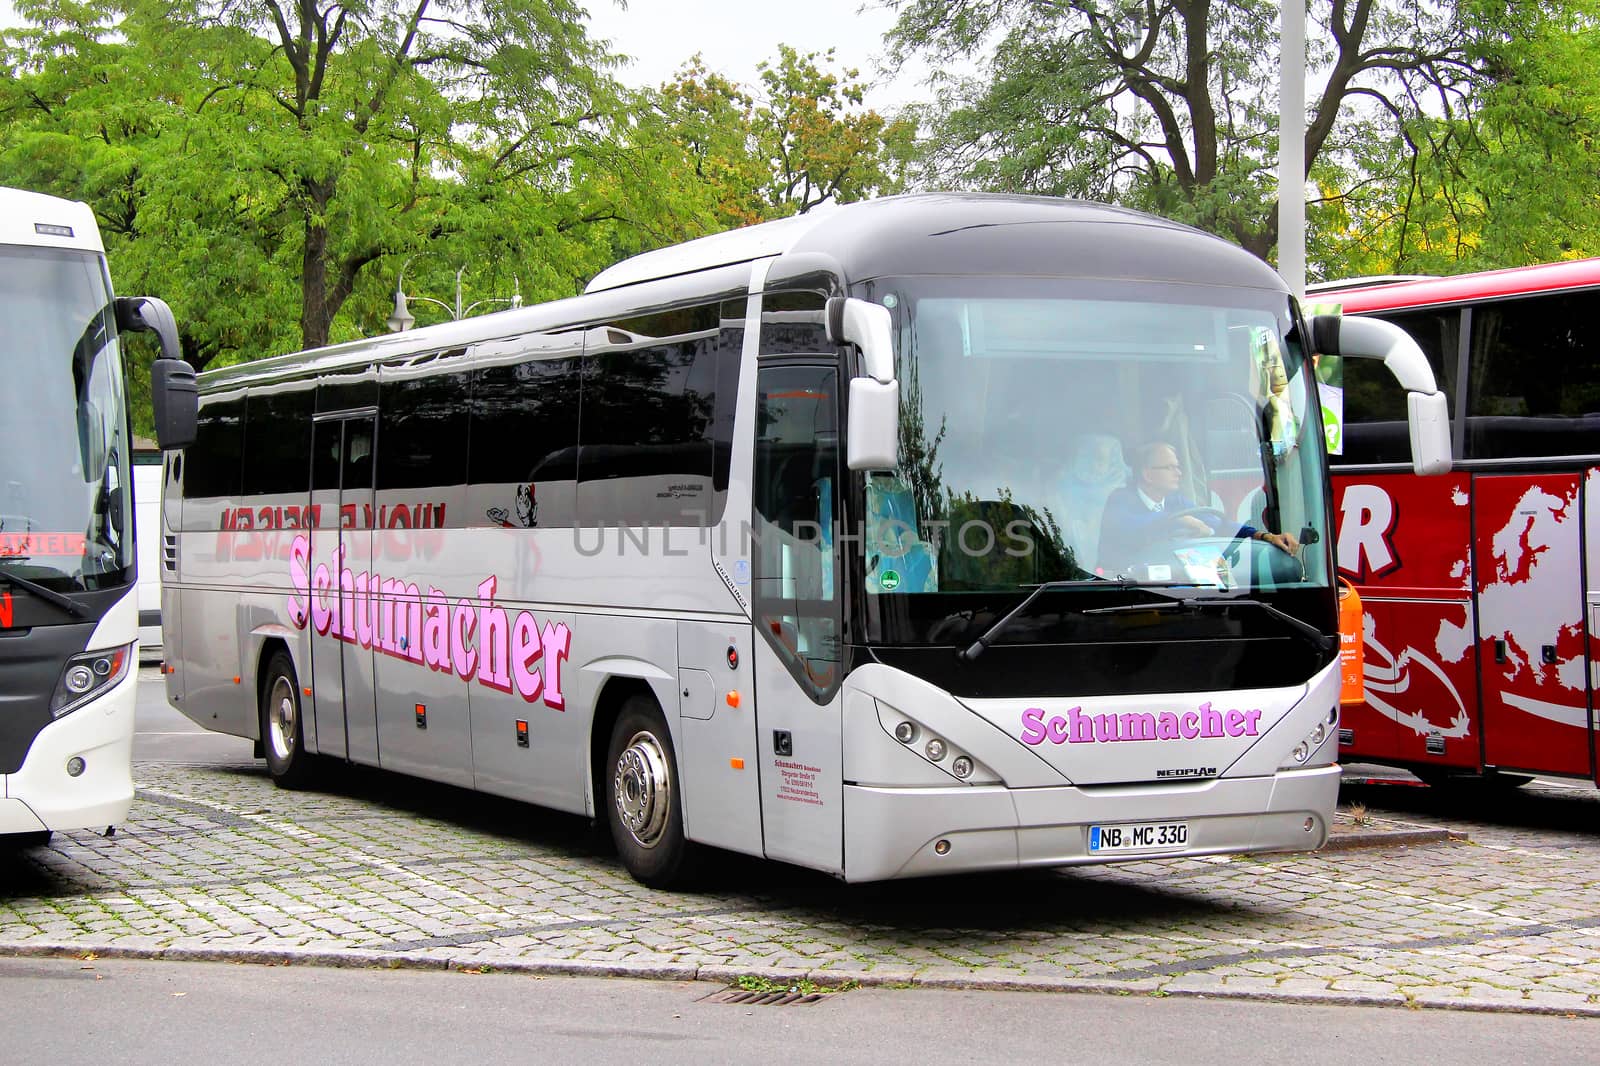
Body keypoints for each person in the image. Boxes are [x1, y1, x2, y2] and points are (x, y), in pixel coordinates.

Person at [1098, 441, 1298, 573]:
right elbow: (1132, 527)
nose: (1178, 473)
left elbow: (1219, 524)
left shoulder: (1175, 500)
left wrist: (1265, 536)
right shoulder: (1120, 500)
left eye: (1178, 467)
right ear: (1147, 474)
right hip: (1130, 592)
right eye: (1170, 467)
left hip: (1174, 586)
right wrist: (1175, 521)